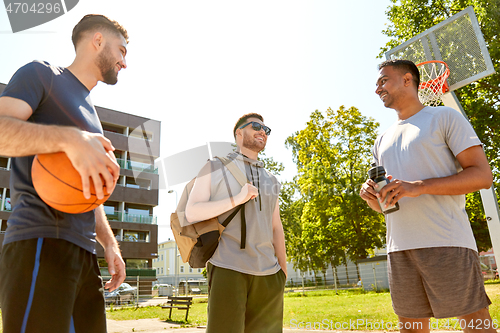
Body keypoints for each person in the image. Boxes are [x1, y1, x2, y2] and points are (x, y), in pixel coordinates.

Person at [0, 14, 128, 332]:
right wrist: (70, 139)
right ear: (97, 40)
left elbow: (88, 187)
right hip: (41, 240)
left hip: (84, 253)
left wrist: (109, 244)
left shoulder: (91, 112)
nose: (124, 62)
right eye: (122, 50)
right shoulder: (42, 75)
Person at [360, 59, 495, 333]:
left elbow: (482, 176)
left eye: (383, 81)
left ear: (408, 80)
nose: (377, 89)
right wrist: (374, 199)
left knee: (477, 327)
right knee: (410, 329)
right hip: (400, 248)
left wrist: (418, 186)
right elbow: (387, 204)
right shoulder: (381, 139)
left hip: (446, 241)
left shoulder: (444, 117)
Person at [185, 113, 287, 333]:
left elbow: (276, 227)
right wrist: (237, 199)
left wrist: (283, 272)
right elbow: (192, 212)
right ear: (239, 133)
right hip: (227, 269)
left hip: (269, 275)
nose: (263, 131)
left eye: (266, 129)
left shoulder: (272, 179)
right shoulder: (214, 166)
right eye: (256, 126)